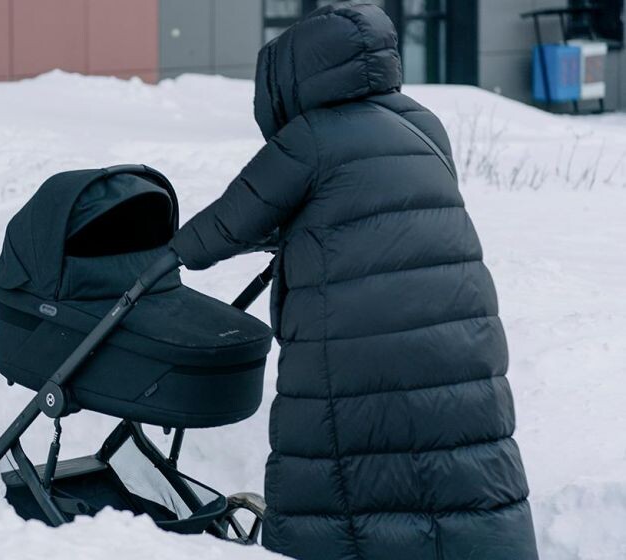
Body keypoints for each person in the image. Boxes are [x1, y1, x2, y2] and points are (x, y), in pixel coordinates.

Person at [169, 4, 539, 560]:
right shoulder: (424, 123)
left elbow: (225, 225)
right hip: (459, 342)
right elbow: (372, 203)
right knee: (457, 464)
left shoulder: (310, 139)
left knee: (346, 476)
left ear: (293, 77)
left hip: (354, 346)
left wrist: (161, 253)